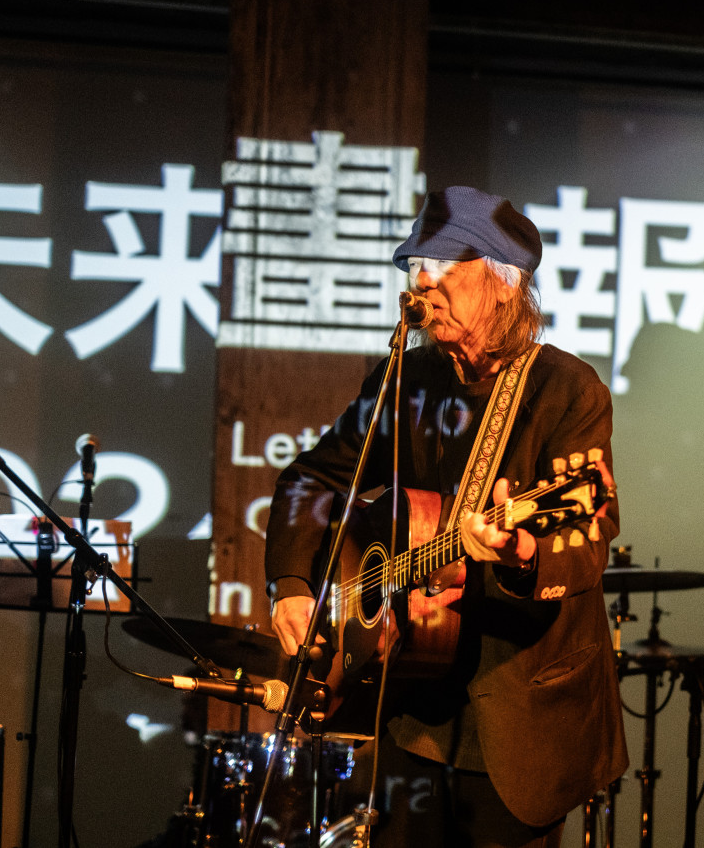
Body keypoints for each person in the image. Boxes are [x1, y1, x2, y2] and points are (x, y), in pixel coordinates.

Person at [263, 186, 628, 847]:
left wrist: (521, 555)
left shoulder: (567, 390)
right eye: (415, 267)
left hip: (520, 719)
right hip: (412, 706)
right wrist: (291, 583)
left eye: (441, 266)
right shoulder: (406, 378)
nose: (423, 283)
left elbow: (586, 546)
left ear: (503, 284)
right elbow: (312, 475)